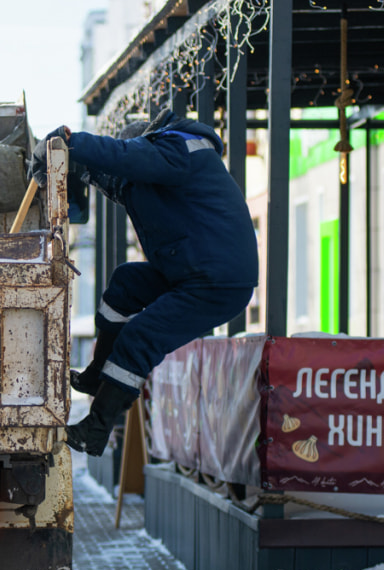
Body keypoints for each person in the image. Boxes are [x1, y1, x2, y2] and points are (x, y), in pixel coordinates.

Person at [30, 110, 258, 456]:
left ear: (144, 141)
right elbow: (122, 181)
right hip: (191, 269)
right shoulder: (162, 169)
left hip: (219, 282)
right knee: (126, 282)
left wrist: (70, 142)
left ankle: (96, 428)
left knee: (141, 337)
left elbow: (125, 158)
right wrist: (81, 170)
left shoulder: (178, 148)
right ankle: (96, 374)